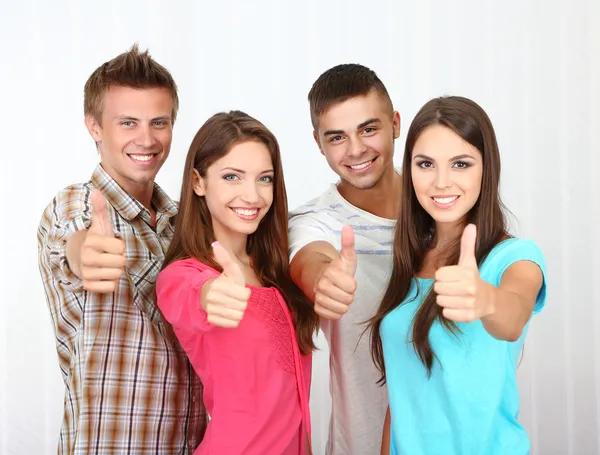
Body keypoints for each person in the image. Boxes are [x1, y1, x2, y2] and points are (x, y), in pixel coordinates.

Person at [37, 44, 206, 454]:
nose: (146, 139)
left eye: (159, 122)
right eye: (127, 122)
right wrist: (84, 253)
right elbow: (71, 240)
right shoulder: (76, 204)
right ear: (94, 126)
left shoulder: (187, 223)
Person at [369, 96, 547, 455]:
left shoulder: (515, 257)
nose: (441, 182)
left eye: (461, 164)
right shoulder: (407, 261)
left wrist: (486, 299)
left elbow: (512, 316)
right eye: (425, 164)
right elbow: (401, 397)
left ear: (486, 169)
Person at [155, 110, 319, 455]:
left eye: (264, 178)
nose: (253, 195)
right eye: (232, 176)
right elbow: (189, 296)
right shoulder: (184, 275)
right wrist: (211, 295)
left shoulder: (276, 271)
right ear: (198, 182)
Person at [288, 63, 402, 454]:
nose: (355, 150)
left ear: (395, 124)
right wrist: (324, 281)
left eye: (369, 129)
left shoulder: (444, 209)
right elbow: (310, 259)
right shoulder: (313, 221)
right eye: (337, 137)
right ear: (319, 143)